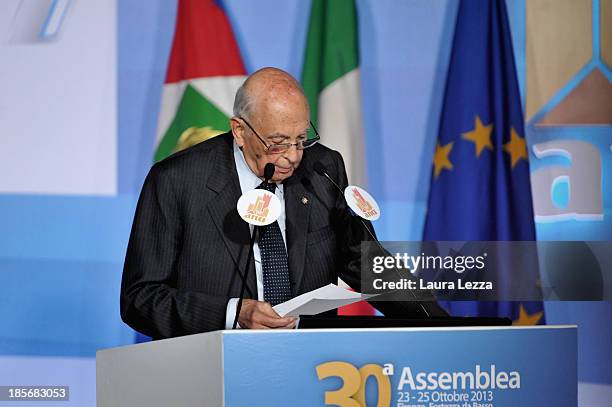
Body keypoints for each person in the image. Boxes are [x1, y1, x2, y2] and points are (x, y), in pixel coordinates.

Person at [120, 67, 446, 339]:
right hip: (213, 368)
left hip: (314, 368)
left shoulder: (324, 169)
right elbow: (141, 298)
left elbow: (366, 264)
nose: (292, 156)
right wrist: (234, 313)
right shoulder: (177, 181)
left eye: (301, 139)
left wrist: (446, 328)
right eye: (277, 143)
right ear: (240, 130)